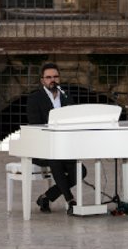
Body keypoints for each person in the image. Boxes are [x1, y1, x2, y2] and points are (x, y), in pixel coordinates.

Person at [26, 62, 86, 214]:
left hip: (64, 148)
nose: (52, 80)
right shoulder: (34, 98)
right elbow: (35, 125)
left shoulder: (66, 97)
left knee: (81, 171)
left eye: (55, 76)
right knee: (55, 160)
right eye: (48, 77)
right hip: (42, 149)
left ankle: (46, 197)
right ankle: (70, 200)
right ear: (42, 80)